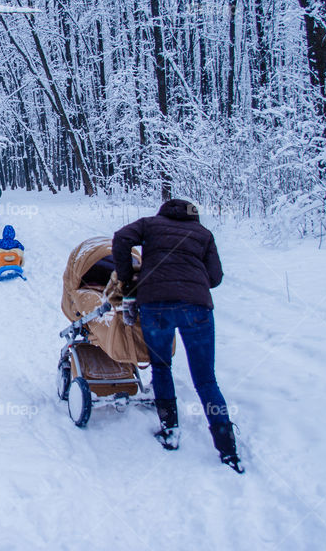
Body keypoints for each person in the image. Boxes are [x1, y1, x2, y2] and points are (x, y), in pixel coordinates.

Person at [112, 199, 243, 473]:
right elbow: (216, 277)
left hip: (155, 305)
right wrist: (192, 280)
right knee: (206, 379)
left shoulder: (150, 224)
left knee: (161, 367)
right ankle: (228, 448)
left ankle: (170, 432)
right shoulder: (203, 234)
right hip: (196, 308)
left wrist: (126, 277)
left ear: (165, 212)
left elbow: (122, 237)